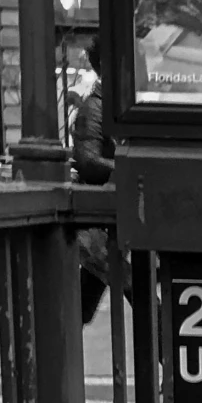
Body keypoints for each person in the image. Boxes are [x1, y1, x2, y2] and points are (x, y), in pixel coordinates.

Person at [72, 36, 114, 326]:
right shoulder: (95, 107)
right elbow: (88, 161)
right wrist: (126, 167)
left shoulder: (108, 104)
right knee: (142, 293)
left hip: (108, 220)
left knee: (81, 304)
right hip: (103, 221)